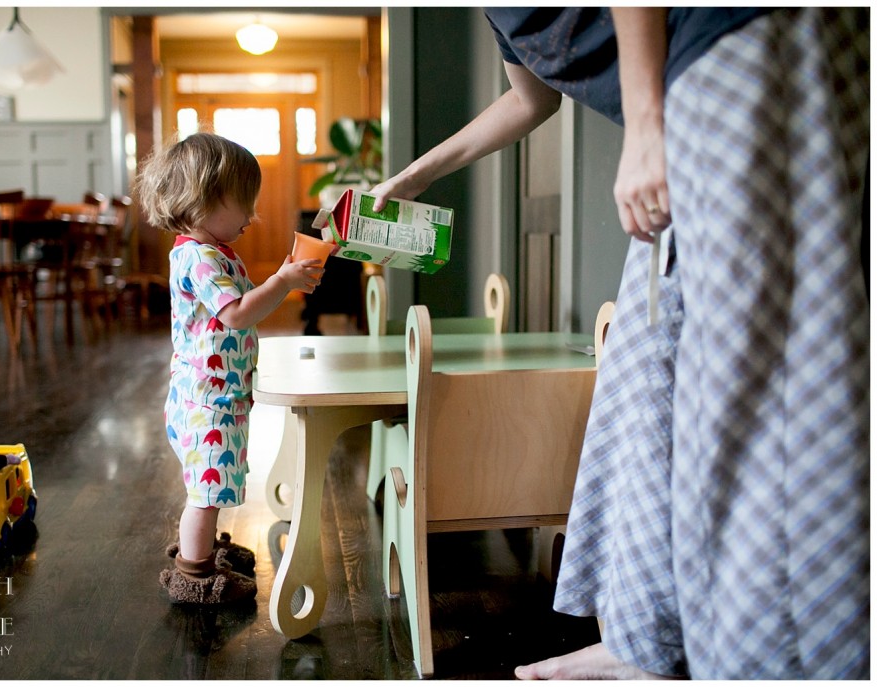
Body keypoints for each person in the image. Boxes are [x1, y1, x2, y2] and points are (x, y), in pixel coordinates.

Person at [371, 8, 869, 679]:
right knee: (641, 372)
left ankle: (780, 660)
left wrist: (645, 123)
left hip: (741, 48)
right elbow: (530, 99)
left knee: (755, 407)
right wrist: (413, 178)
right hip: (686, 93)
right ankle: (643, 640)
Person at [137, 133, 324, 604]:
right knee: (205, 491)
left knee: (212, 484)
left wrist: (282, 278)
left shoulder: (211, 251)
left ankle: (204, 553)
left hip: (215, 393)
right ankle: (193, 574)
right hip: (206, 401)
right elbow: (237, 312)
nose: (251, 215)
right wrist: (283, 281)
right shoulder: (198, 257)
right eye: (244, 204)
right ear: (205, 198)